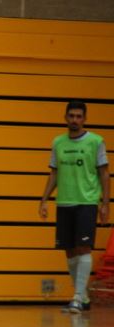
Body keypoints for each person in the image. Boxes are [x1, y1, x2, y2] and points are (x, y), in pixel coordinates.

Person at [39, 100, 109, 314]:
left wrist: (105, 203)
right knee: (69, 251)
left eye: (79, 116)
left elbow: (104, 173)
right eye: (72, 116)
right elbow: (54, 173)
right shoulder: (58, 142)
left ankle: (77, 297)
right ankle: (83, 296)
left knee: (84, 247)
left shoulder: (96, 141)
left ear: (85, 118)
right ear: (65, 118)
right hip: (64, 202)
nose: (75, 120)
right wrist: (44, 199)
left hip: (86, 202)